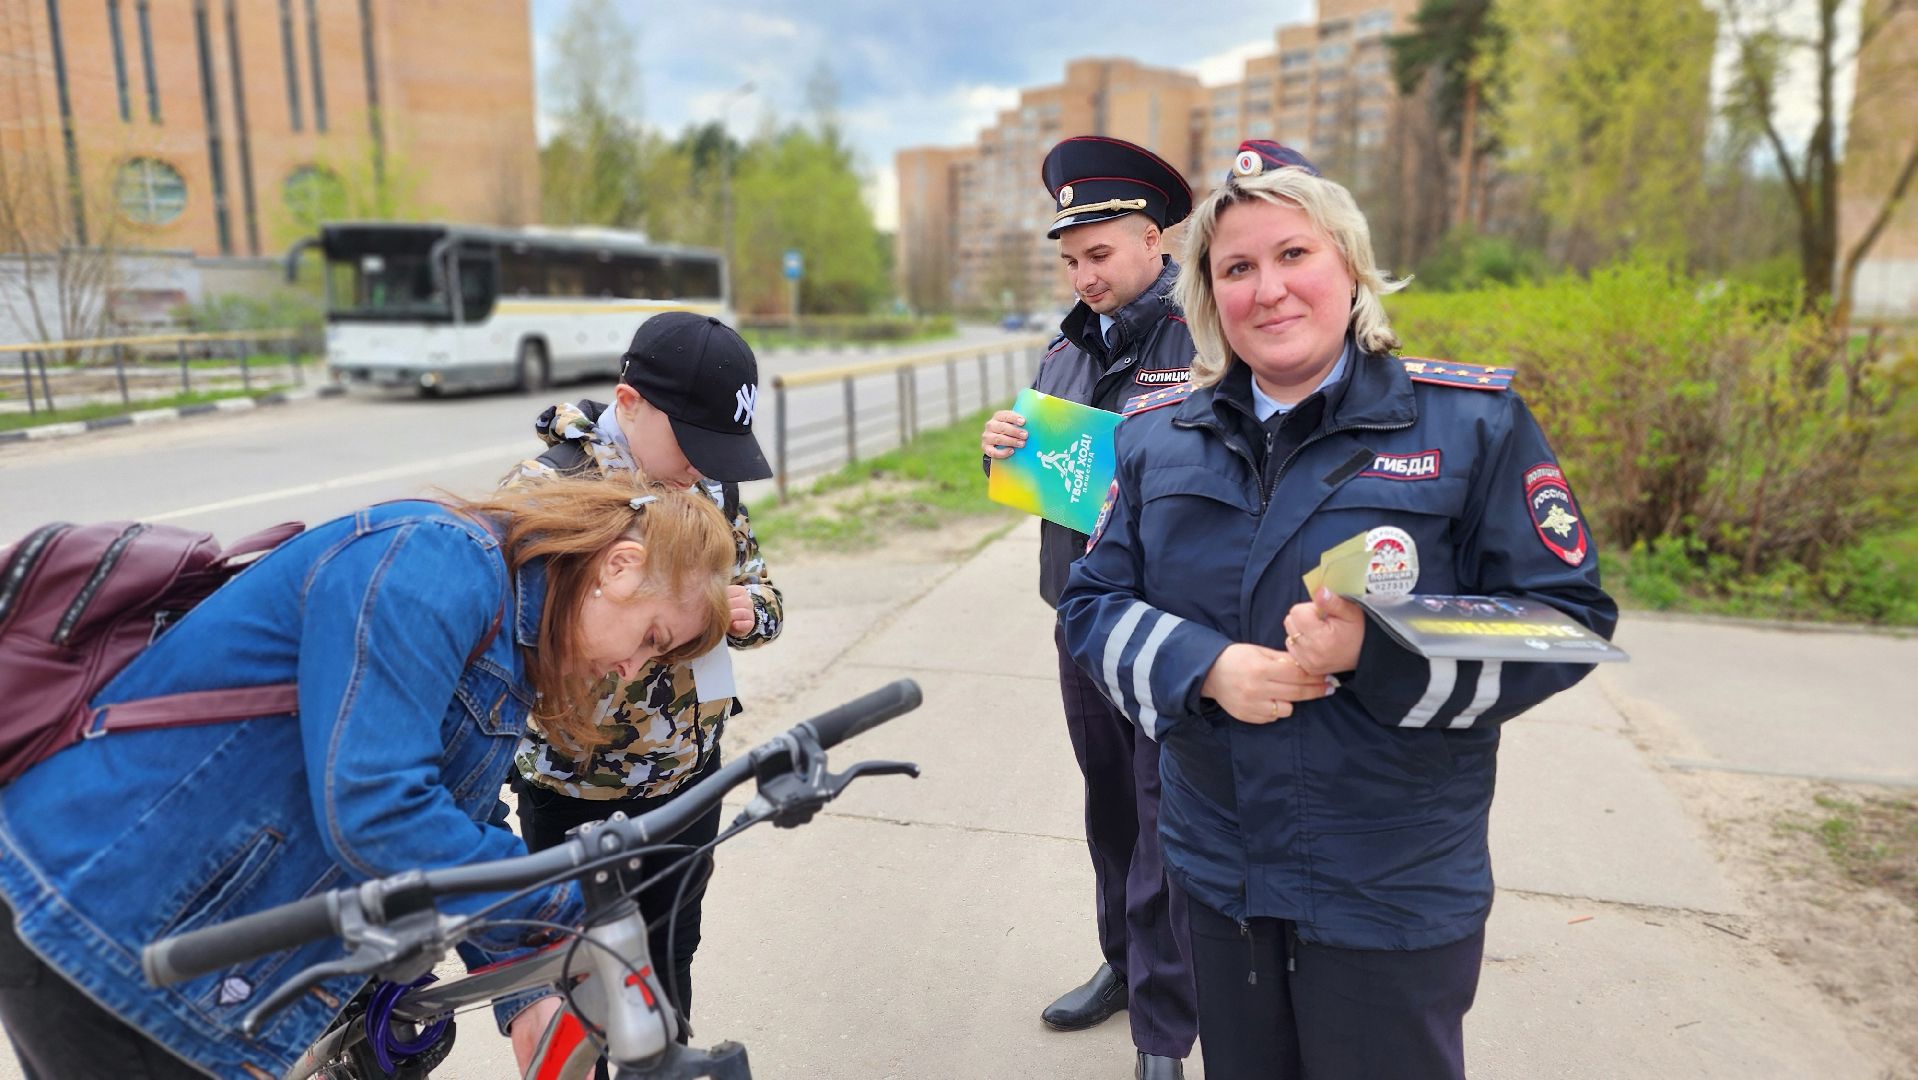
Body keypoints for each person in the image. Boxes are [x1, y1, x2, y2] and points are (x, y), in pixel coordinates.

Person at [1057, 140, 1619, 1080]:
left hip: (1391, 877)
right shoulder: (1157, 440)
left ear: (1350, 269)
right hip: (1222, 869)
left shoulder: (1470, 425)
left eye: (1293, 255)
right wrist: (1206, 668)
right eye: (1236, 267)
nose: (1268, 289)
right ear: (1208, 295)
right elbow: (1091, 604)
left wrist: (1382, 646)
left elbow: (1567, 620)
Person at [0, 476, 737, 1080]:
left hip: (180, 948)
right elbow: (376, 806)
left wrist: (530, 986)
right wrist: (574, 902)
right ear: (620, 566)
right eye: (650, 641)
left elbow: (457, 822)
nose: (631, 672)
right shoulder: (433, 561)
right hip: (109, 918)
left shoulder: (507, 642)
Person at [500, 311, 782, 1049]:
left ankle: (667, 1063)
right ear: (629, 404)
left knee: (670, 952)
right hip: (573, 789)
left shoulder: (709, 488)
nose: (701, 465)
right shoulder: (550, 493)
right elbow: (507, 650)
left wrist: (753, 614)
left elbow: (761, 586)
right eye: (693, 444)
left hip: (688, 778)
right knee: (573, 972)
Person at [980, 135, 1199, 1080]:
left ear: (1153, 240)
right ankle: (1121, 962)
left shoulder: (1203, 335)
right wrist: (1000, 451)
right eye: (1070, 261)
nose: (1084, 276)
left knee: (1166, 819)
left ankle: (1167, 1020)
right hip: (1080, 615)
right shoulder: (1066, 342)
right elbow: (1050, 472)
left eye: (1099, 255)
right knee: (1110, 808)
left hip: (1167, 622)